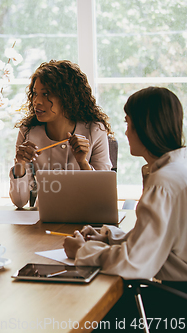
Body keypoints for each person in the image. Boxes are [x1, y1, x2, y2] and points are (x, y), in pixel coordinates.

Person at [64, 87, 187, 320]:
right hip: (178, 295)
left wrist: (83, 250)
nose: (126, 132)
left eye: (129, 124)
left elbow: (134, 264)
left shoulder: (163, 182)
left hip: (176, 305)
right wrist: (109, 237)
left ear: (145, 127)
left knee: (81, 312)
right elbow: (160, 239)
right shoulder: (179, 167)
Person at [10, 60, 113, 208]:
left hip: (87, 219)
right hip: (45, 219)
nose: (37, 101)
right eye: (35, 93)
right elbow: (20, 201)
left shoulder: (95, 130)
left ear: (68, 97)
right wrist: (20, 163)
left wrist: (83, 162)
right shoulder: (27, 132)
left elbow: (102, 195)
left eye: (46, 94)